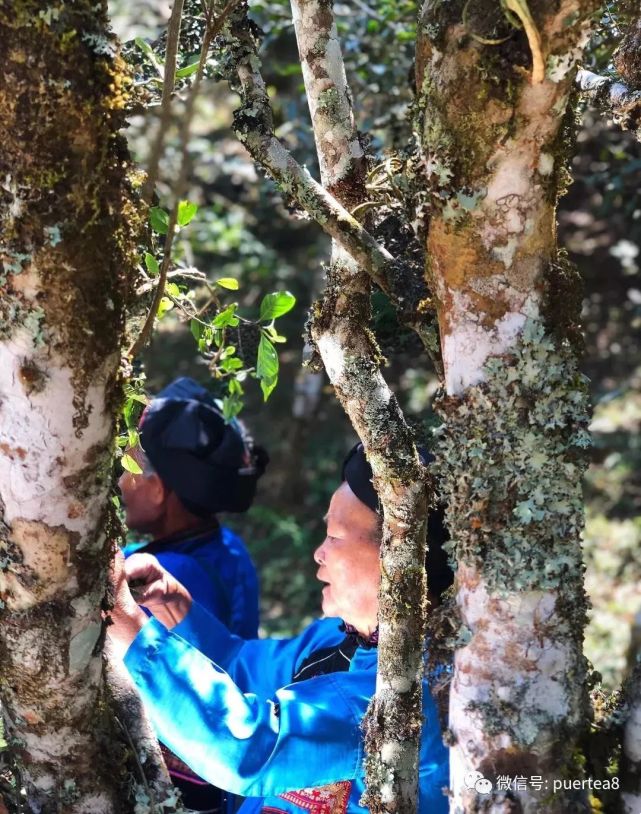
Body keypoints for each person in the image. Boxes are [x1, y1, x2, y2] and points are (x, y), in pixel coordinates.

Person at [109, 443, 452, 814]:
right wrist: (173, 603)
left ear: (398, 558)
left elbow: (243, 749)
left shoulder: (402, 695)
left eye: (335, 537)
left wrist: (125, 617)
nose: (319, 553)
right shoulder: (337, 639)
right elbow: (238, 665)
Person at [118, 376, 268, 810]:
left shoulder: (166, 573)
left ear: (160, 488)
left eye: (130, 471)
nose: (121, 484)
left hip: (186, 787)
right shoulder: (227, 548)